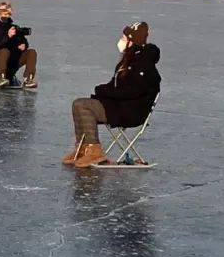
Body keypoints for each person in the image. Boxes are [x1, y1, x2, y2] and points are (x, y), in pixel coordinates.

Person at [64, 22, 160, 168]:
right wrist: (101, 89)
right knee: (78, 104)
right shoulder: (129, 59)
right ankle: (82, 149)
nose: (121, 40)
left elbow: (132, 92)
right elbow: (116, 86)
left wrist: (104, 92)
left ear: (132, 40)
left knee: (83, 105)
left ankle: (94, 151)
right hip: (118, 106)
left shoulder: (143, 64)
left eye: (124, 37)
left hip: (130, 111)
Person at [0, 1, 39, 88]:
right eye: (4, 12)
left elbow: (23, 41)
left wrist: (24, 46)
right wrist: (8, 36)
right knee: (4, 51)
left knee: (31, 52)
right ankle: (1, 77)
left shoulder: (13, 27)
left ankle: (28, 79)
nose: (6, 15)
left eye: (8, 13)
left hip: (13, 59)